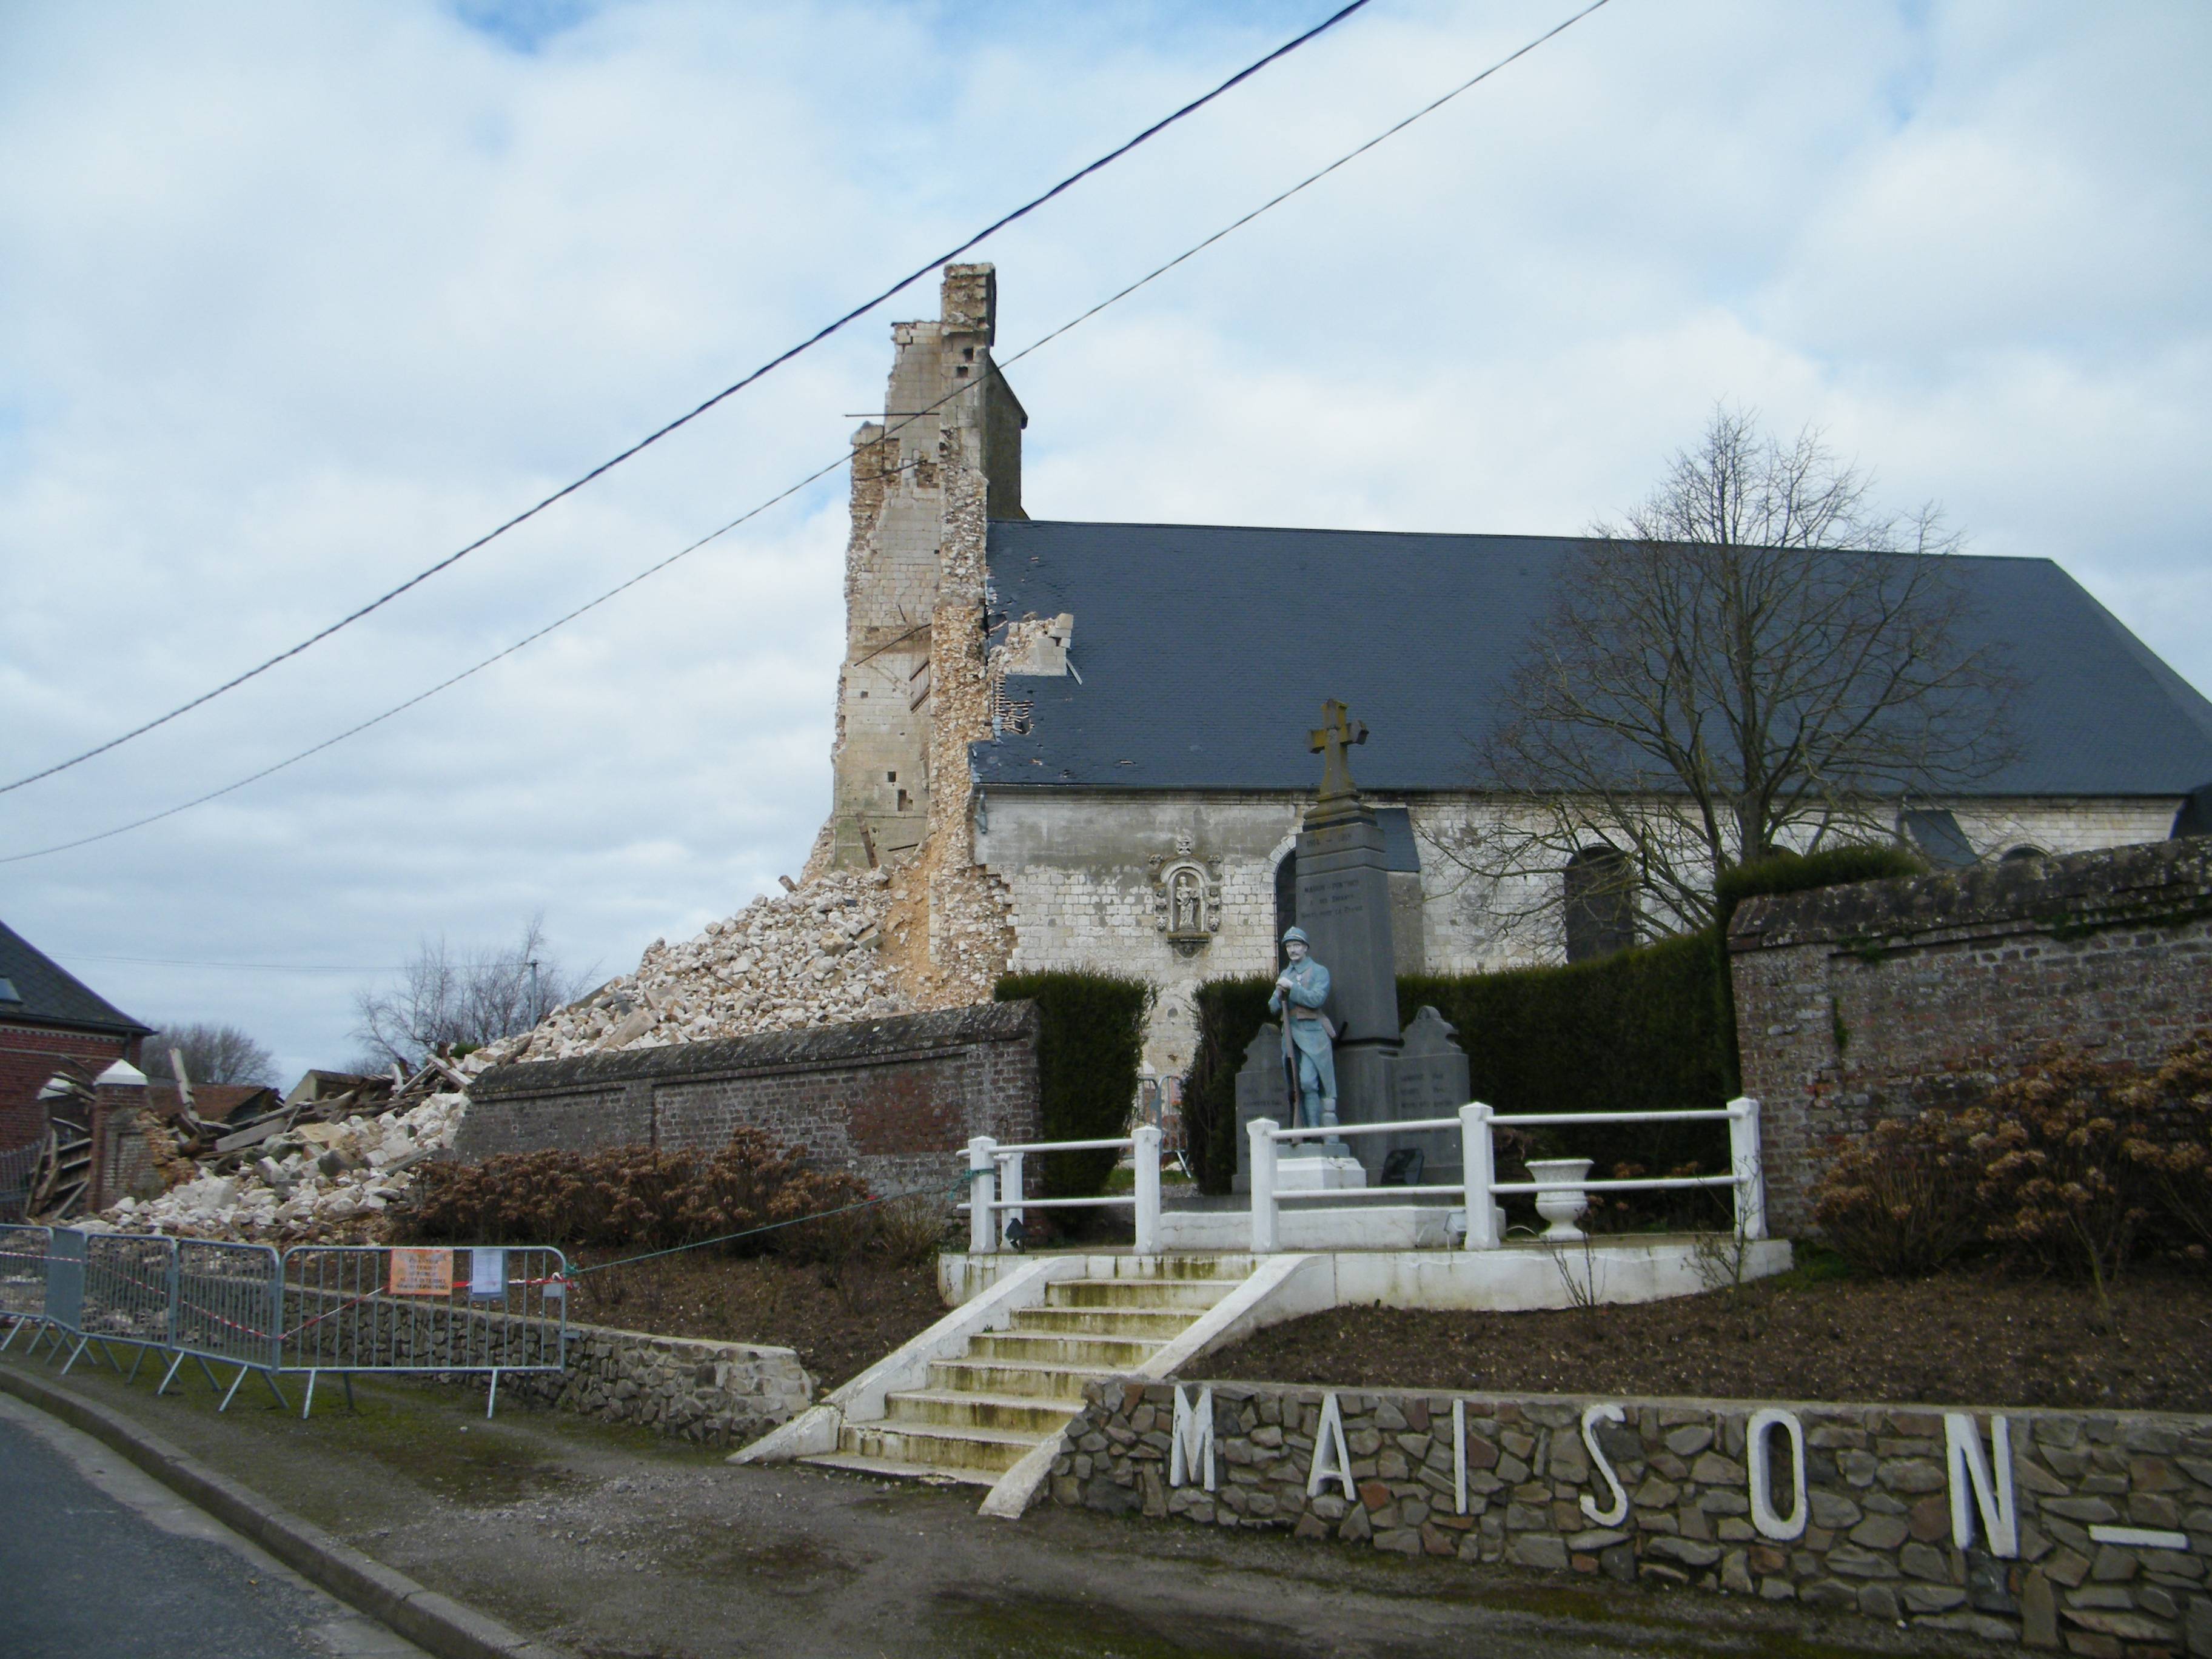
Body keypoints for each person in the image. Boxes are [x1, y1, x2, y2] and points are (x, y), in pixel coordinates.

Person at [1269, 927, 1336, 1130]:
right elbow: (1272, 1007)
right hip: (1290, 1035)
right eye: (1289, 946)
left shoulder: (1319, 971)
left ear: (1306, 947)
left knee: (1308, 1082)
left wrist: (1293, 989)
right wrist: (1280, 993)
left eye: (1297, 945)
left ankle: (1317, 1130)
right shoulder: (1285, 973)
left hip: (1313, 1034)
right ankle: (1305, 1130)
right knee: (1296, 1086)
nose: (1293, 950)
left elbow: (1317, 999)